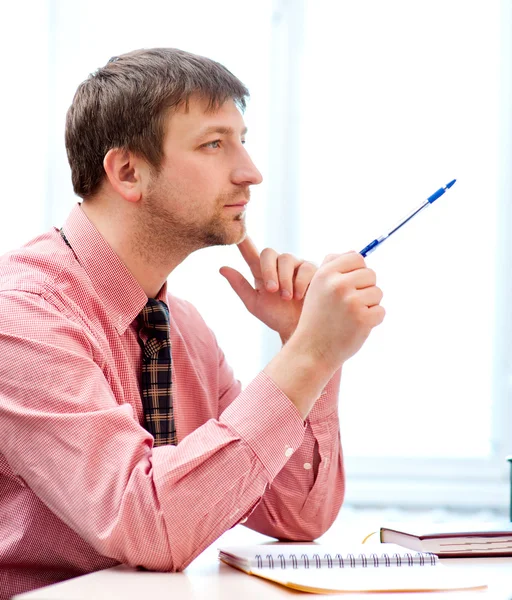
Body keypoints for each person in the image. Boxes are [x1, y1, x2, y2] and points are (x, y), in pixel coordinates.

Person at [0, 48, 385, 598]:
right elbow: (150, 527)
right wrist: (310, 355)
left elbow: (296, 517)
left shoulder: (180, 326)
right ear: (128, 172)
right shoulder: (22, 316)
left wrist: (301, 343)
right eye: (213, 144)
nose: (249, 173)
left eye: (242, 141)